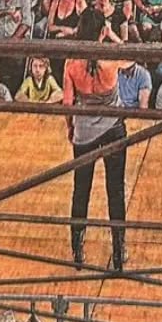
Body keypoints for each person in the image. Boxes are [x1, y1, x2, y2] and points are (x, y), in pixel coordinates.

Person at [63, 56, 129, 270]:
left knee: (81, 188)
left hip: (85, 129)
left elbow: (67, 102)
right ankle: (119, 249)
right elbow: (131, 58)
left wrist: (70, 127)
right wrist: (112, 36)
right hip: (112, 128)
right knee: (116, 189)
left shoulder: (71, 64)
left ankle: (78, 249)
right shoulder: (110, 62)